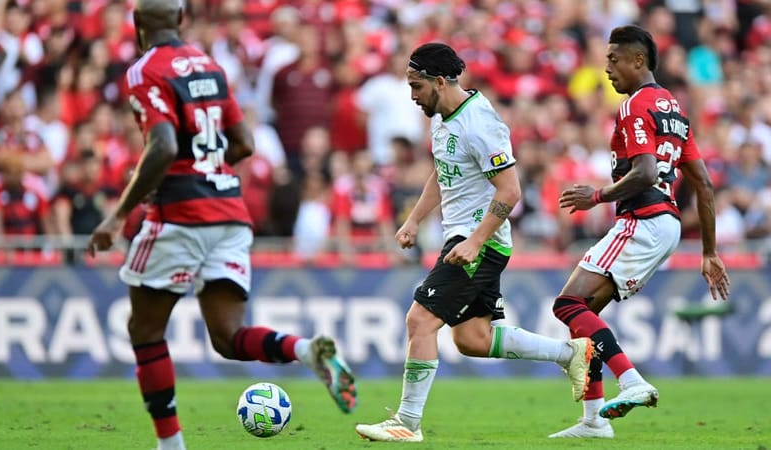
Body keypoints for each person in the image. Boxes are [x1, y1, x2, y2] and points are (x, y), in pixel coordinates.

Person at [86, 2, 356, 450]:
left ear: (137, 28)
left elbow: (163, 143)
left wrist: (117, 215)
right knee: (228, 338)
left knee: (145, 331)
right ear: (182, 21)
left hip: (181, 214)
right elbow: (244, 143)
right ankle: (305, 350)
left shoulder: (143, 70)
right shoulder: (209, 66)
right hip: (230, 213)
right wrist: (208, 170)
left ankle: (170, 446)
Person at [354, 43, 594, 443]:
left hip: (477, 242)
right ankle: (571, 354)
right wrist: (414, 219)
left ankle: (407, 423)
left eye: (416, 86)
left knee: (419, 320)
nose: (412, 96)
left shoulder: (480, 124)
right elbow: (443, 172)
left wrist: (475, 241)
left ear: (440, 81)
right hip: (464, 238)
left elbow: (510, 189)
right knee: (473, 339)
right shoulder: (441, 117)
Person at [549, 25, 731, 439]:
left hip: (643, 219)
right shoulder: (674, 109)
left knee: (567, 304)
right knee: (584, 317)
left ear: (638, 61)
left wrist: (597, 196)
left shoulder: (636, 106)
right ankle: (594, 422)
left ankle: (631, 380)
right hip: (663, 225)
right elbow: (702, 183)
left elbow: (646, 170)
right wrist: (709, 251)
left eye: (613, 60)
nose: (606, 68)